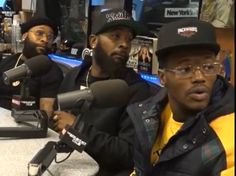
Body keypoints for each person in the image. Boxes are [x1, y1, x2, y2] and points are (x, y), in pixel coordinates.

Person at [52, 8, 159, 176]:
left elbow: (128, 154)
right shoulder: (74, 76)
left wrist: (79, 129)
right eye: (116, 36)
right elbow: (58, 120)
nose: (124, 44)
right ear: (93, 41)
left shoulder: (135, 90)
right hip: (64, 165)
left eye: (129, 39)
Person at [127, 19, 234, 176]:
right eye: (185, 69)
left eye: (208, 67)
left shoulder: (229, 135)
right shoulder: (148, 114)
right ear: (163, 78)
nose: (199, 77)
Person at [0, 17, 63, 117]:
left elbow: (46, 112)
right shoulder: (6, 62)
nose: (45, 39)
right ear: (25, 35)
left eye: (50, 37)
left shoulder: (51, 70)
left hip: (25, 124)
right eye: (39, 33)